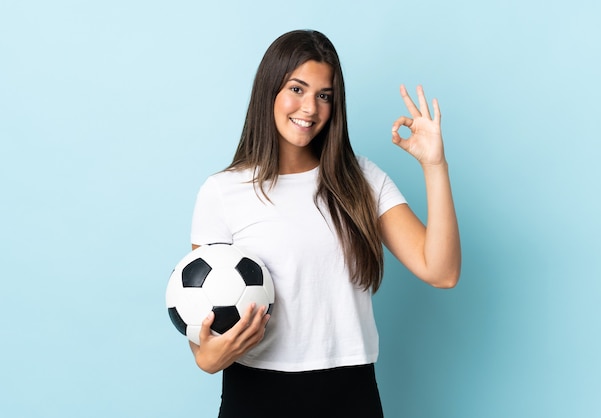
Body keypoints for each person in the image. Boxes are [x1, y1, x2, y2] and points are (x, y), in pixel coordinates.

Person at [188, 29, 461, 417]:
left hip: (350, 392)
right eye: (296, 89)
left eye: (324, 95)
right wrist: (207, 355)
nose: (310, 108)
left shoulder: (362, 179)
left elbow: (442, 271)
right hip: (257, 394)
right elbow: (202, 313)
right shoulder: (222, 191)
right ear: (269, 91)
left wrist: (434, 165)